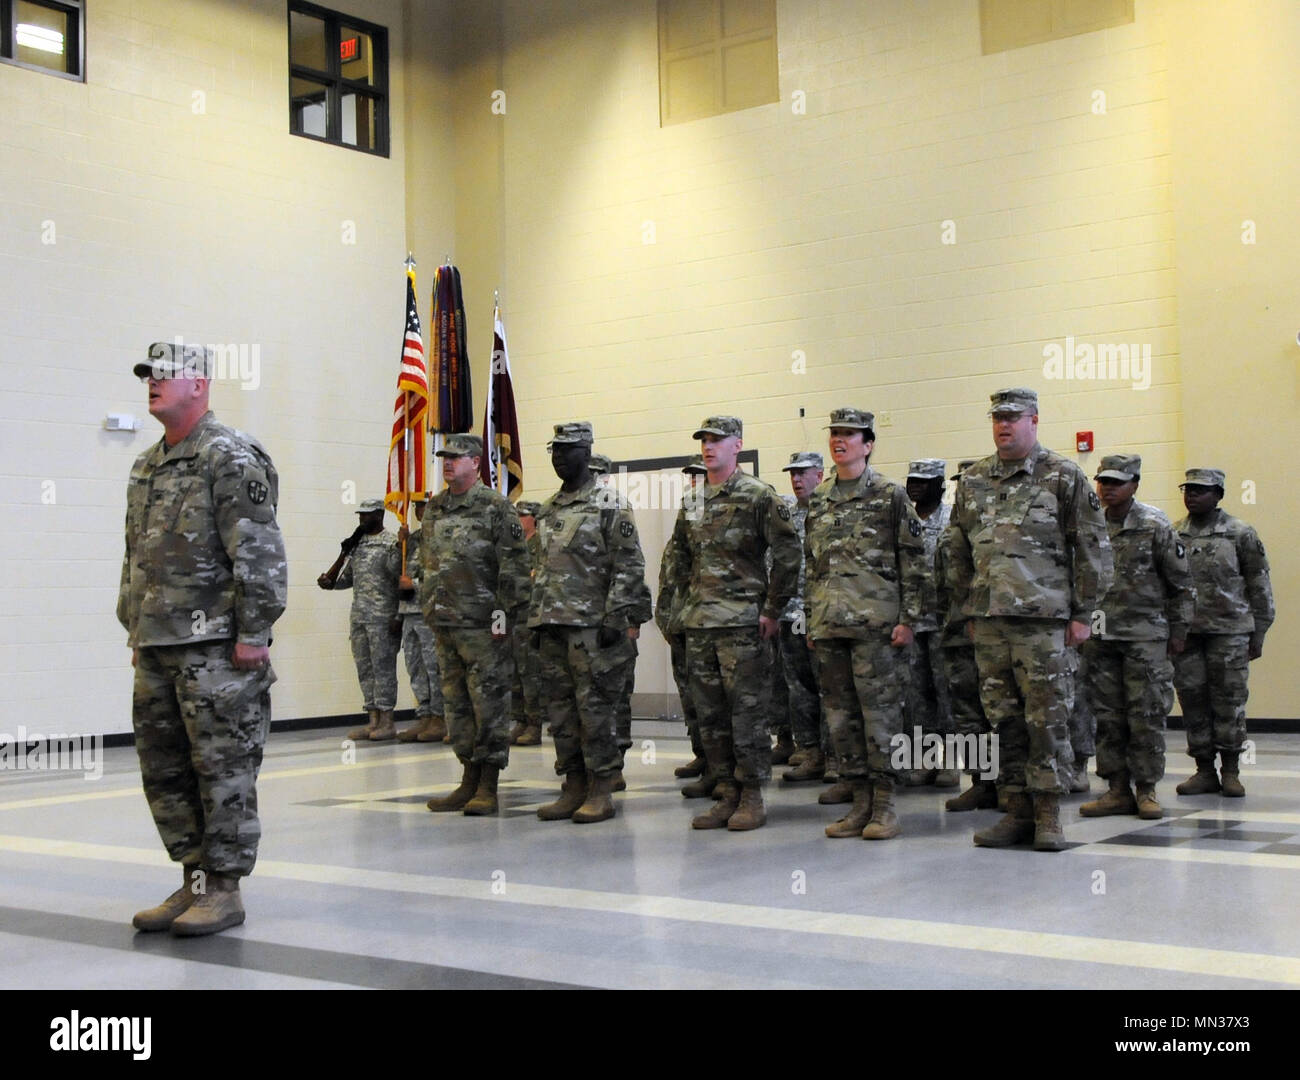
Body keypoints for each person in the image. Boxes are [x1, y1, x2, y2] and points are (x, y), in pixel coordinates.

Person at [121, 341, 286, 937]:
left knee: (223, 767)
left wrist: (254, 631)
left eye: (165, 375)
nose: (152, 383)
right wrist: (134, 627)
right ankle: (193, 881)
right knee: (165, 771)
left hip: (217, 647)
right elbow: (134, 555)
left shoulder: (228, 456)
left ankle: (224, 889)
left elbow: (260, 552)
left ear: (200, 384)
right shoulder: (146, 464)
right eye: (147, 375)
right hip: (159, 645)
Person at [948, 388, 1112, 851]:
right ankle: (1016, 812)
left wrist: (1082, 614)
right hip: (991, 624)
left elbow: (1093, 548)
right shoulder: (975, 479)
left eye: (1013, 418)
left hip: (1045, 625)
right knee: (1004, 721)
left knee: (1047, 721)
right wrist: (968, 608)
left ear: (1033, 421)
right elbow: (956, 549)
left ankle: (1048, 816)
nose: (1004, 425)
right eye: (997, 417)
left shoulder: (1063, 476)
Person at [668, 416, 800, 831]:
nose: (709, 447)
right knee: (711, 716)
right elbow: (680, 558)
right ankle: (725, 791)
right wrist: (678, 610)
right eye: (704, 441)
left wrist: (772, 610)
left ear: (737, 445)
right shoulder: (692, 501)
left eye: (717, 441)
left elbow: (788, 555)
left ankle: (753, 796)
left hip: (743, 625)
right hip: (700, 624)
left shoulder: (759, 496)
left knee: (747, 715)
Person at [804, 409, 926, 840]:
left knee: (881, 720)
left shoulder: (890, 495)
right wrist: (811, 618)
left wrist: (910, 619)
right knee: (841, 719)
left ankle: (886, 806)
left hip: (878, 629)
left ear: (868, 444)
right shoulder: (819, 498)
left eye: (849, 435)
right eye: (835, 433)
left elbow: (915, 560)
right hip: (831, 626)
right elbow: (812, 564)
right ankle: (859, 803)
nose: (839, 440)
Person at [530, 422, 649, 823]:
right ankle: (573, 785)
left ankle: (601, 788)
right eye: (555, 451)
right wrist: (535, 618)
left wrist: (617, 615)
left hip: (592, 629)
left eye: (568, 450)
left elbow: (629, 563)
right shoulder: (549, 508)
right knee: (561, 713)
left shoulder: (609, 503)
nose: (560, 457)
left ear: (587, 452)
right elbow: (540, 568)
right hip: (553, 626)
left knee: (595, 710)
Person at [419, 434, 530, 815]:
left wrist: (502, 618)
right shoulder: (434, 509)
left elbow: (515, 567)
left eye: (457, 457)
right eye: (445, 457)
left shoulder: (495, 508)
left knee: (489, 706)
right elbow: (427, 562)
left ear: (477, 463)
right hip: (446, 624)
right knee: (456, 706)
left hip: (484, 627)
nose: (448, 463)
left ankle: (488, 784)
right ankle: (467, 777)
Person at [1080, 454, 1194, 819]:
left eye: (1117, 482)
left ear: (1135, 485)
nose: (1108, 488)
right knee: (1108, 717)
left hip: (1146, 637)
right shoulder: (1088, 524)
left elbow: (1181, 584)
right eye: (1103, 481)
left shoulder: (1154, 524)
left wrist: (1179, 632)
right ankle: (1116, 789)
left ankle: (1146, 790)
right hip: (1100, 638)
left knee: (1145, 715)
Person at [1172, 467, 1274, 798]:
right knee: (1192, 699)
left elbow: (1259, 584)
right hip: (1188, 634)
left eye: (1201, 490)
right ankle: (1204, 770)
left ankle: (1230, 770)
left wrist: (1259, 630)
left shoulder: (1240, 533)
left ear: (1218, 495)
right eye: (1188, 490)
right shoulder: (1174, 534)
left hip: (1230, 631)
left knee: (1229, 700)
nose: (1192, 496)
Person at [590, 451, 653, 788]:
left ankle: (615, 763)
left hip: (615, 622)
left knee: (617, 695)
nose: (594, 478)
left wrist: (634, 620)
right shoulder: (571, 509)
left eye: (599, 473)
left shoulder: (616, 508)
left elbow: (633, 569)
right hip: (581, 622)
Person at [938, 460, 998, 812]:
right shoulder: (950, 532)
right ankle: (981, 781)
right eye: (959, 484)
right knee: (969, 716)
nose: (964, 489)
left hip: (996, 635)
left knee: (1002, 713)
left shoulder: (995, 529)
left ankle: (1012, 785)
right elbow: (936, 585)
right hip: (958, 636)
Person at [318, 499, 402, 741]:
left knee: (383, 669)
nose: (361, 519)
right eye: (360, 515)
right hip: (359, 617)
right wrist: (331, 582)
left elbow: (400, 580)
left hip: (382, 618)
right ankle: (372, 719)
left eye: (366, 515)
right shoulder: (358, 544)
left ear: (379, 514)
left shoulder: (391, 543)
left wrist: (399, 616)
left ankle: (387, 721)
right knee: (365, 669)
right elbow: (349, 578)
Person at [902, 457, 959, 788]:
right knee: (916, 695)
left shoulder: (952, 519)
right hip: (911, 619)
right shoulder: (902, 519)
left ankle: (951, 761)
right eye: (911, 479)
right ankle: (924, 759)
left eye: (923, 480)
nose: (915, 485)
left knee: (945, 691)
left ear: (939, 484)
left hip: (943, 620)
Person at [777, 453, 831, 786]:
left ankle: (837, 756)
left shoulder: (830, 511)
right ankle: (810, 752)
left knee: (829, 687)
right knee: (798, 688)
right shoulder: (787, 517)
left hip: (822, 614)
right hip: (790, 614)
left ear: (820, 475)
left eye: (803, 474)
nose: (797, 480)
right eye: (793, 474)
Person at [657, 456, 710, 788]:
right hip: (681, 625)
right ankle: (703, 754)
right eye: (690, 477)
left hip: (709, 625)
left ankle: (724, 766)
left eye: (700, 476)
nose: (693, 482)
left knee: (713, 700)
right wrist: (665, 619)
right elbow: (668, 576)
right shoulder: (685, 522)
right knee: (690, 697)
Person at [395, 493, 446, 743]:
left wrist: (414, 584)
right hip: (409, 612)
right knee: (415, 666)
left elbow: (445, 576)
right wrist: (399, 544)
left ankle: (440, 717)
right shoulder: (413, 540)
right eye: (417, 507)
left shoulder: (441, 540)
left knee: (434, 666)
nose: (419, 511)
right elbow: (394, 571)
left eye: (425, 506)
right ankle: (424, 714)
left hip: (430, 611)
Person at [508, 500, 545, 747]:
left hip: (530, 618)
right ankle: (519, 719)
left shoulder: (540, 546)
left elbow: (540, 580)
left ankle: (534, 724)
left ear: (534, 518)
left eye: (523, 515)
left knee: (530, 673)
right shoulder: (513, 547)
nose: (519, 520)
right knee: (514, 673)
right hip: (512, 615)